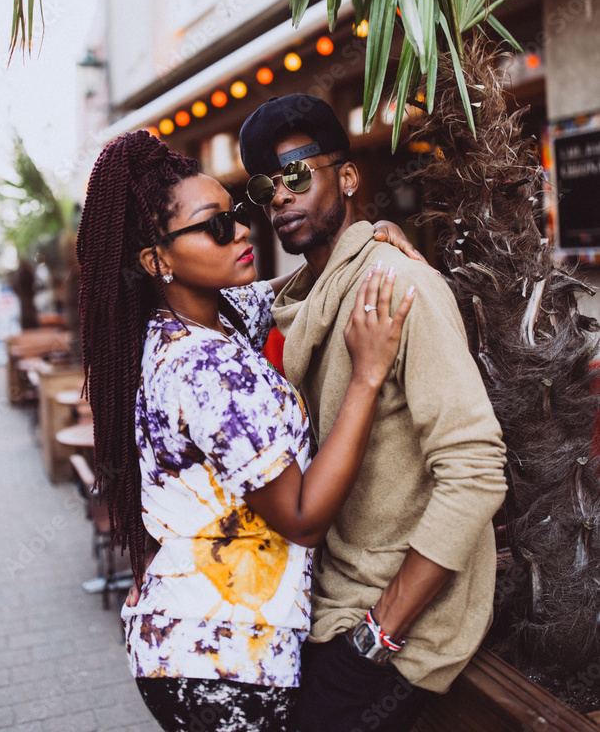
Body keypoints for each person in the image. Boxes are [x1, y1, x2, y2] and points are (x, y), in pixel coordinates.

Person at [76, 130, 417, 732]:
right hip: (222, 662)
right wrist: (367, 377)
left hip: (196, 644)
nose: (241, 231)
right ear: (157, 260)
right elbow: (303, 517)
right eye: (214, 226)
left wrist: (365, 242)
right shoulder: (206, 365)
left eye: (236, 215)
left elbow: (288, 289)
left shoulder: (204, 322)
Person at [239, 94, 508, 732]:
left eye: (297, 174)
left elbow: (476, 470)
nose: (279, 196)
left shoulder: (396, 287)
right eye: (264, 186)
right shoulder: (300, 300)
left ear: (349, 177)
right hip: (321, 601)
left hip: (392, 630)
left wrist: (380, 632)